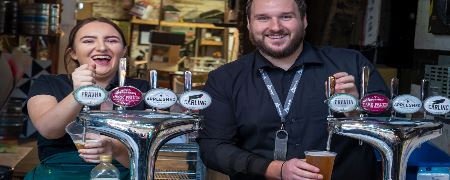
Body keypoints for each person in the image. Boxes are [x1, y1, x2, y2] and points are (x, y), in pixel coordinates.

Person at [196, 0, 389, 179]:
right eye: (263, 18)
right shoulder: (224, 79)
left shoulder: (352, 64)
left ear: (304, 21)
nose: (275, 27)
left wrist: (355, 112)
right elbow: (213, 147)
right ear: (248, 24)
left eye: (286, 17)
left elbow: (391, 129)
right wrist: (276, 169)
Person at [23, 17, 149, 179]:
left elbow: (155, 155)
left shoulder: (143, 90)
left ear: (123, 50)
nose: (102, 47)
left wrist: (116, 149)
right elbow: (49, 130)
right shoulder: (49, 83)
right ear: (73, 53)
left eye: (111, 40)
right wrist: (79, 93)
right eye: (88, 41)